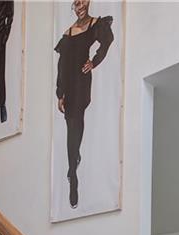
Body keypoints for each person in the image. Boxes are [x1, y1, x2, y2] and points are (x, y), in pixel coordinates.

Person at [55, 0, 113, 208]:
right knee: (71, 124)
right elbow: (61, 65)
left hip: (81, 81)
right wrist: (59, 93)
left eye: (82, 1)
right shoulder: (68, 32)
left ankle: (73, 176)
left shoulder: (96, 24)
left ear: (88, 2)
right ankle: (74, 158)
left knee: (75, 123)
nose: (79, 4)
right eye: (75, 2)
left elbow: (107, 41)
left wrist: (94, 61)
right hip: (68, 85)